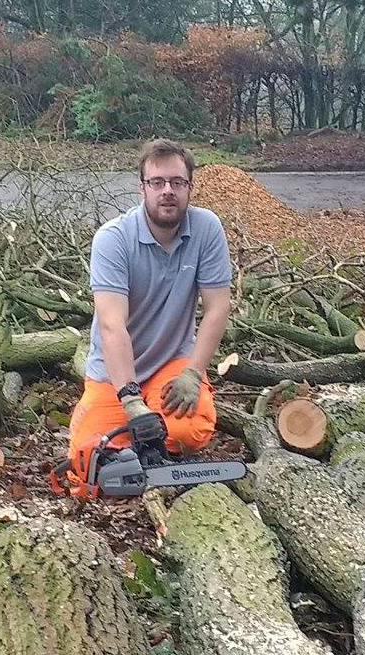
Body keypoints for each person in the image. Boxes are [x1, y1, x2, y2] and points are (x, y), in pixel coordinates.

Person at [55, 138, 233, 499]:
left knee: (187, 431)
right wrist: (130, 398)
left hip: (172, 364)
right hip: (115, 372)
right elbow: (111, 324)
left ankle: (146, 452)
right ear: (143, 188)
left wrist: (193, 373)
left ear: (189, 187)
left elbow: (217, 308)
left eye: (177, 182)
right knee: (86, 463)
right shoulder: (113, 239)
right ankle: (121, 435)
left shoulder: (206, 228)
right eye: (157, 183)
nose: (167, 191)